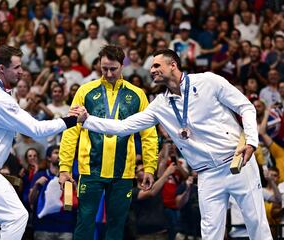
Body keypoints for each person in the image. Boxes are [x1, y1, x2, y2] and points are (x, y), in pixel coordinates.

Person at [78, 49, 272, 239]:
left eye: (156, 65)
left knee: (256, 223)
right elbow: (123, 127)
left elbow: (245, 107)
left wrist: (252, 142)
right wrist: (87, 121)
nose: (152, 70)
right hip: (206, 174)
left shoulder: (208, 81)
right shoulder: (160, 105)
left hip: (237, 162)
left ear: (173, 65)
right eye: (151, 67)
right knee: (210, 233)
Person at [0, 45, 81, 240]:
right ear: (2, 69)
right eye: (17, 67)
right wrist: (71, 119)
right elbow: (36, 129)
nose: (22, 71)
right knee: (16, 217)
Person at [59, 45, 158, 240]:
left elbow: (149, 134)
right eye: (104, 68)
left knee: (117, 226)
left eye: (113, 68)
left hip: (123, 171)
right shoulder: (85, 91)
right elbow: (71, 131)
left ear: (122, 66)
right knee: (84, 223)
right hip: (90, 169)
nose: (109, 73)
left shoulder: (137, 95)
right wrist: (65, 167)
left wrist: (149, 167)